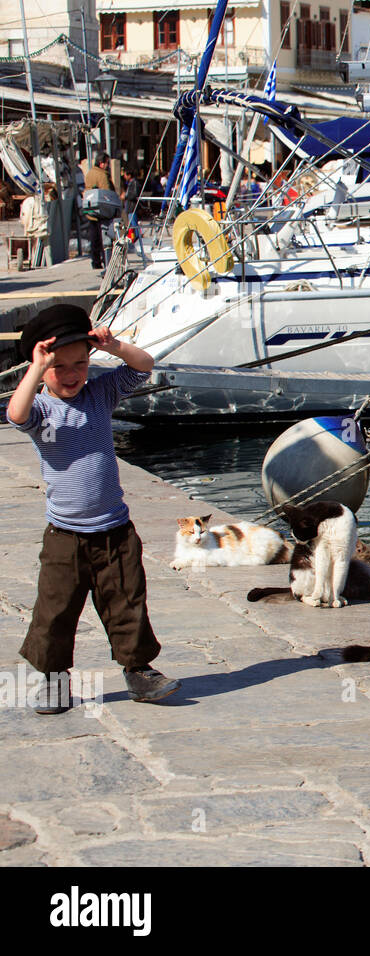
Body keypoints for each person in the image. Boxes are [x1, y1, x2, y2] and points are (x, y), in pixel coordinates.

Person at [5, 305, 181, 714]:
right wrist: (37, 367)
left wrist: (114, 345)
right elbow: (15, 414)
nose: (71, 374)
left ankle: (139, 669)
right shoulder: (41, 410)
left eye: (80, 363)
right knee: (55, 610)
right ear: (41, 366)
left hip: (115, 530)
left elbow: (144, 365)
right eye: (59, 366)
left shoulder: (100, 393)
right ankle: (54, 680)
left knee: (127, 602)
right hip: (65, 536)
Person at [83, 153, 113, 269]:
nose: (108, 165)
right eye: (107, 163)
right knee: (105, 238)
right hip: (102, 210)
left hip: (91, 209)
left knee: (94, 237)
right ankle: (106, 260)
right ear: (101, 163)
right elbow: (107, 193)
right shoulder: (102, 175)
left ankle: (95, 261)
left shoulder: (90, 173)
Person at [19, 183, 53, 268]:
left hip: (32, 225)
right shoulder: (36, 201)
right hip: (39, 226)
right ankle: (47, 262)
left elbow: (23, 217)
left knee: (32, 242)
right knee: (42, 242)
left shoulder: (28, 201)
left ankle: (33, 260)